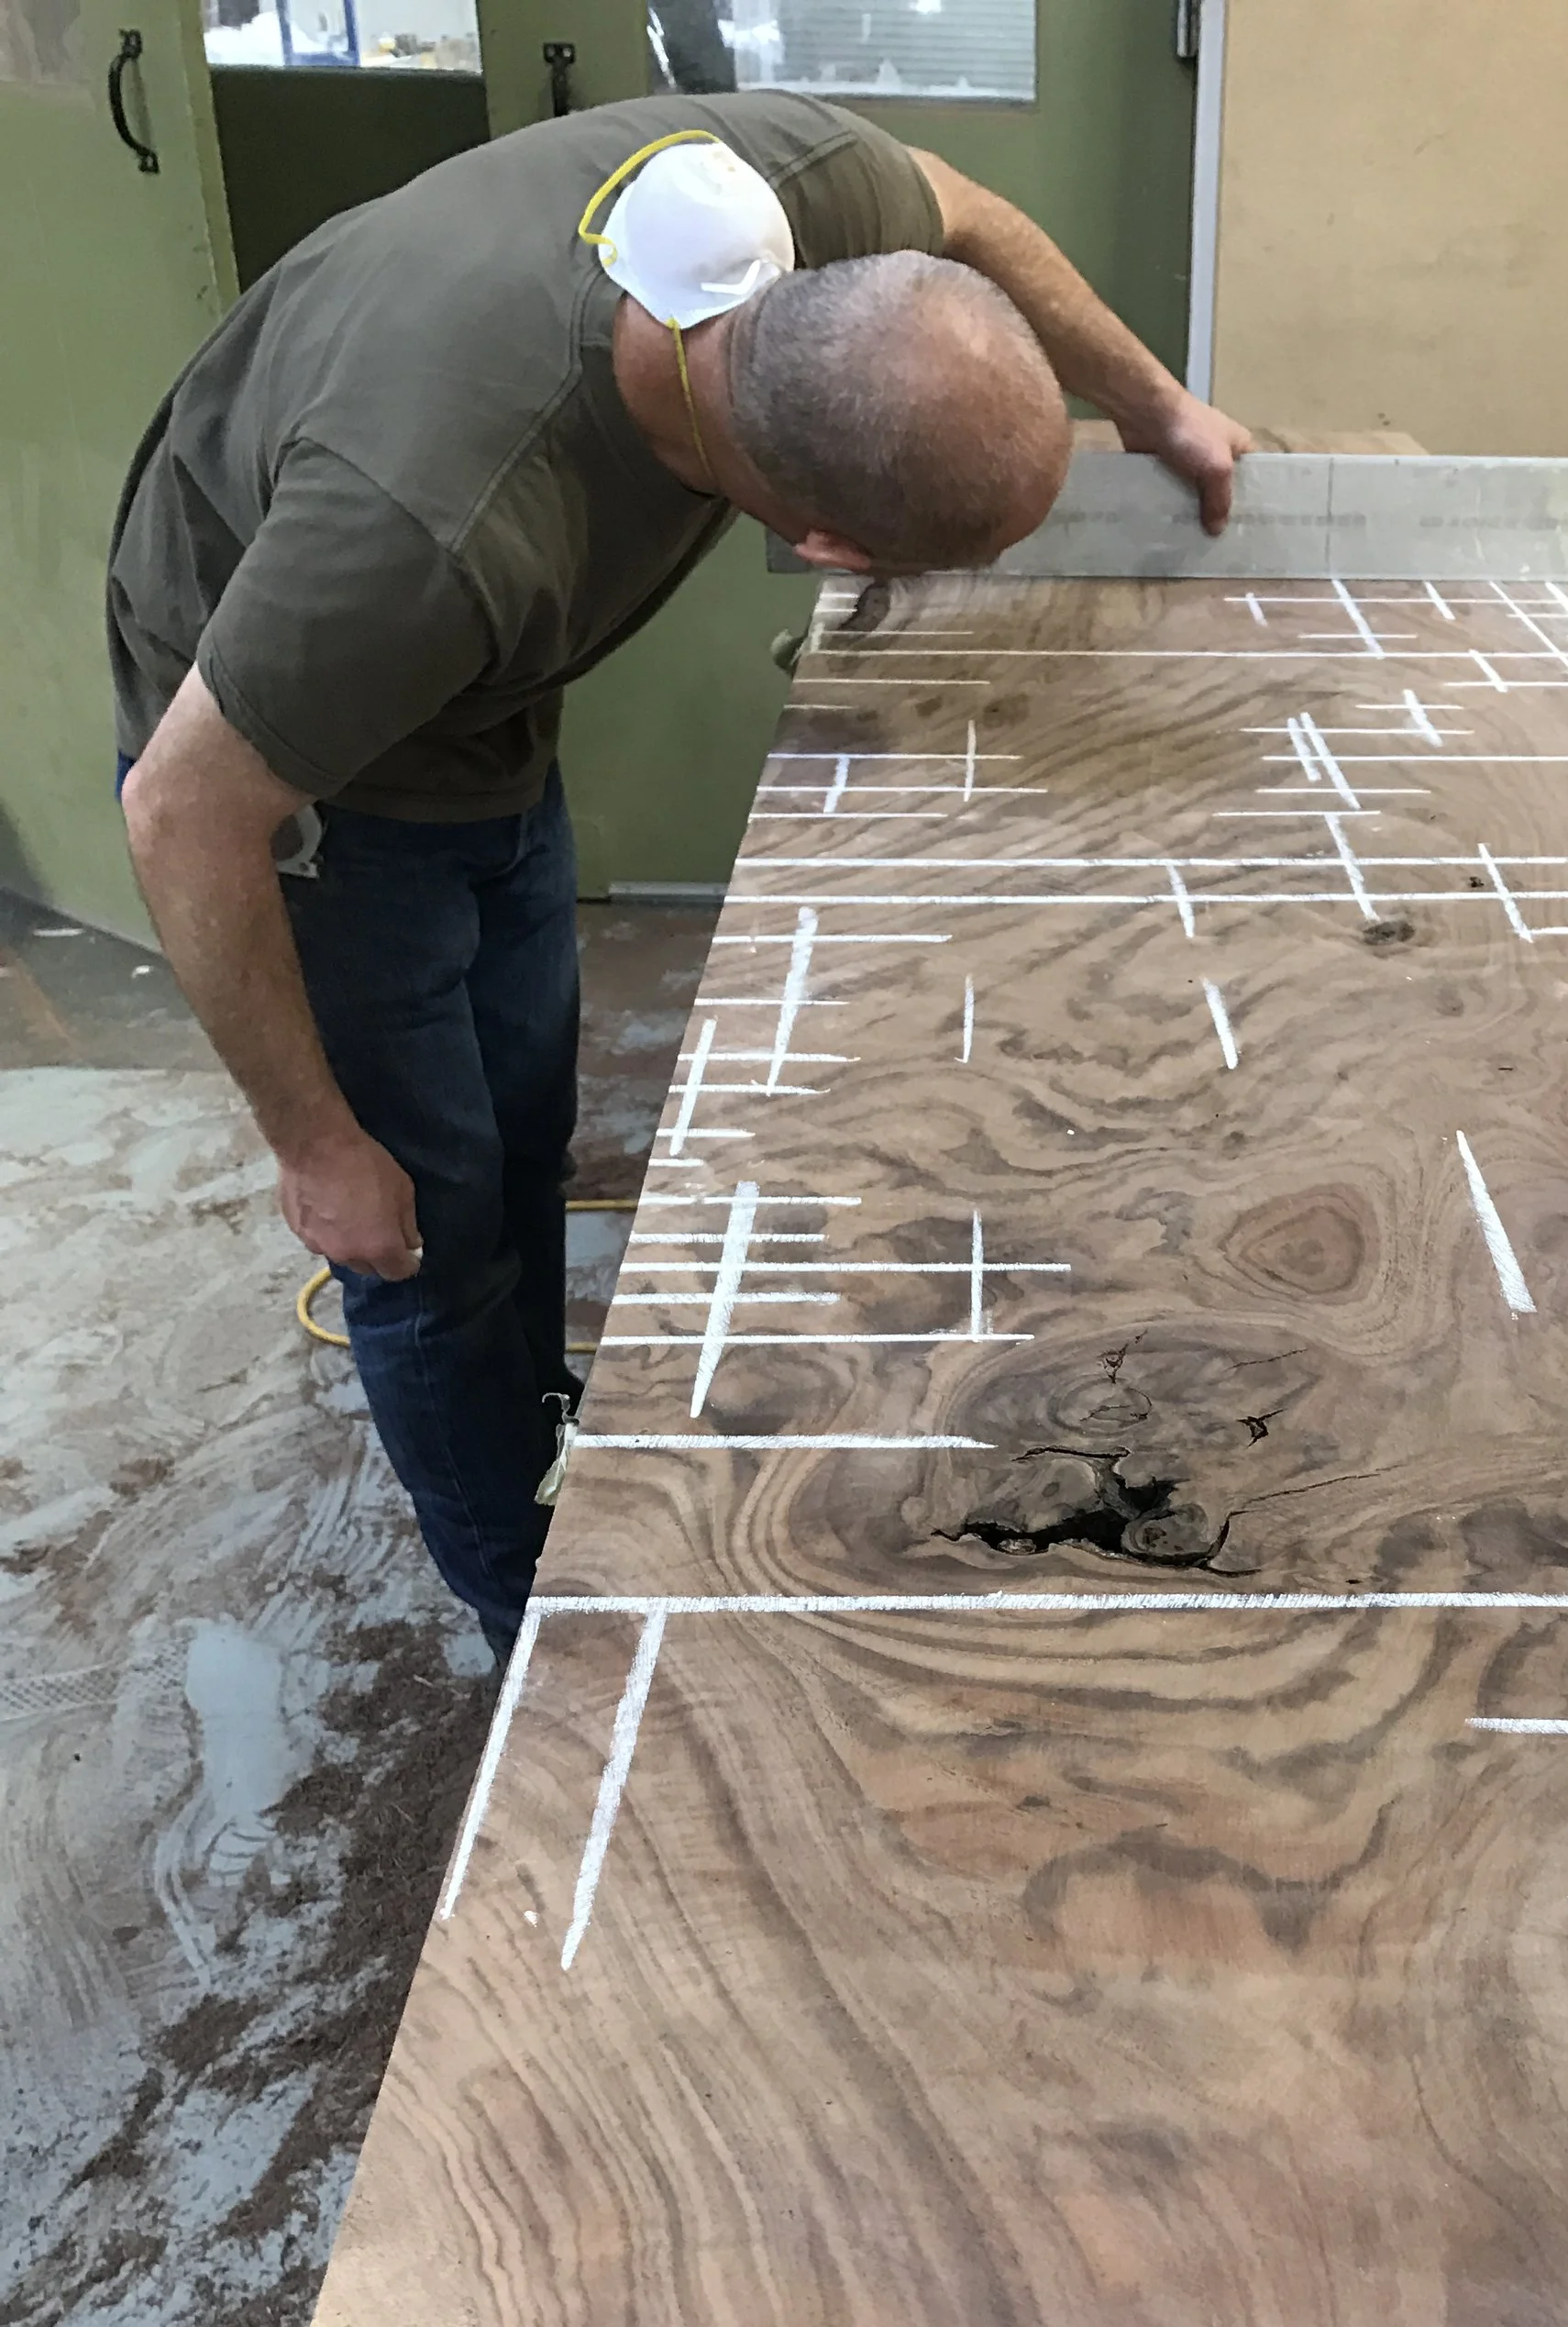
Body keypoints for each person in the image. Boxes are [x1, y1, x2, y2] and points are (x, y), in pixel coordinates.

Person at [111, 91, 1250, 1657]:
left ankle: (527, 1404)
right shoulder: (424, 542)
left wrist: (1155, 400)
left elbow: (970, 209)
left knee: (513, 1122)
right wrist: (313, 1146)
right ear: (830, 551)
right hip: (288, 753)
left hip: (466, 694)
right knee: (412, 1226)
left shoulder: (806, 200)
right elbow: (183, 814)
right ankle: (532, 1611)